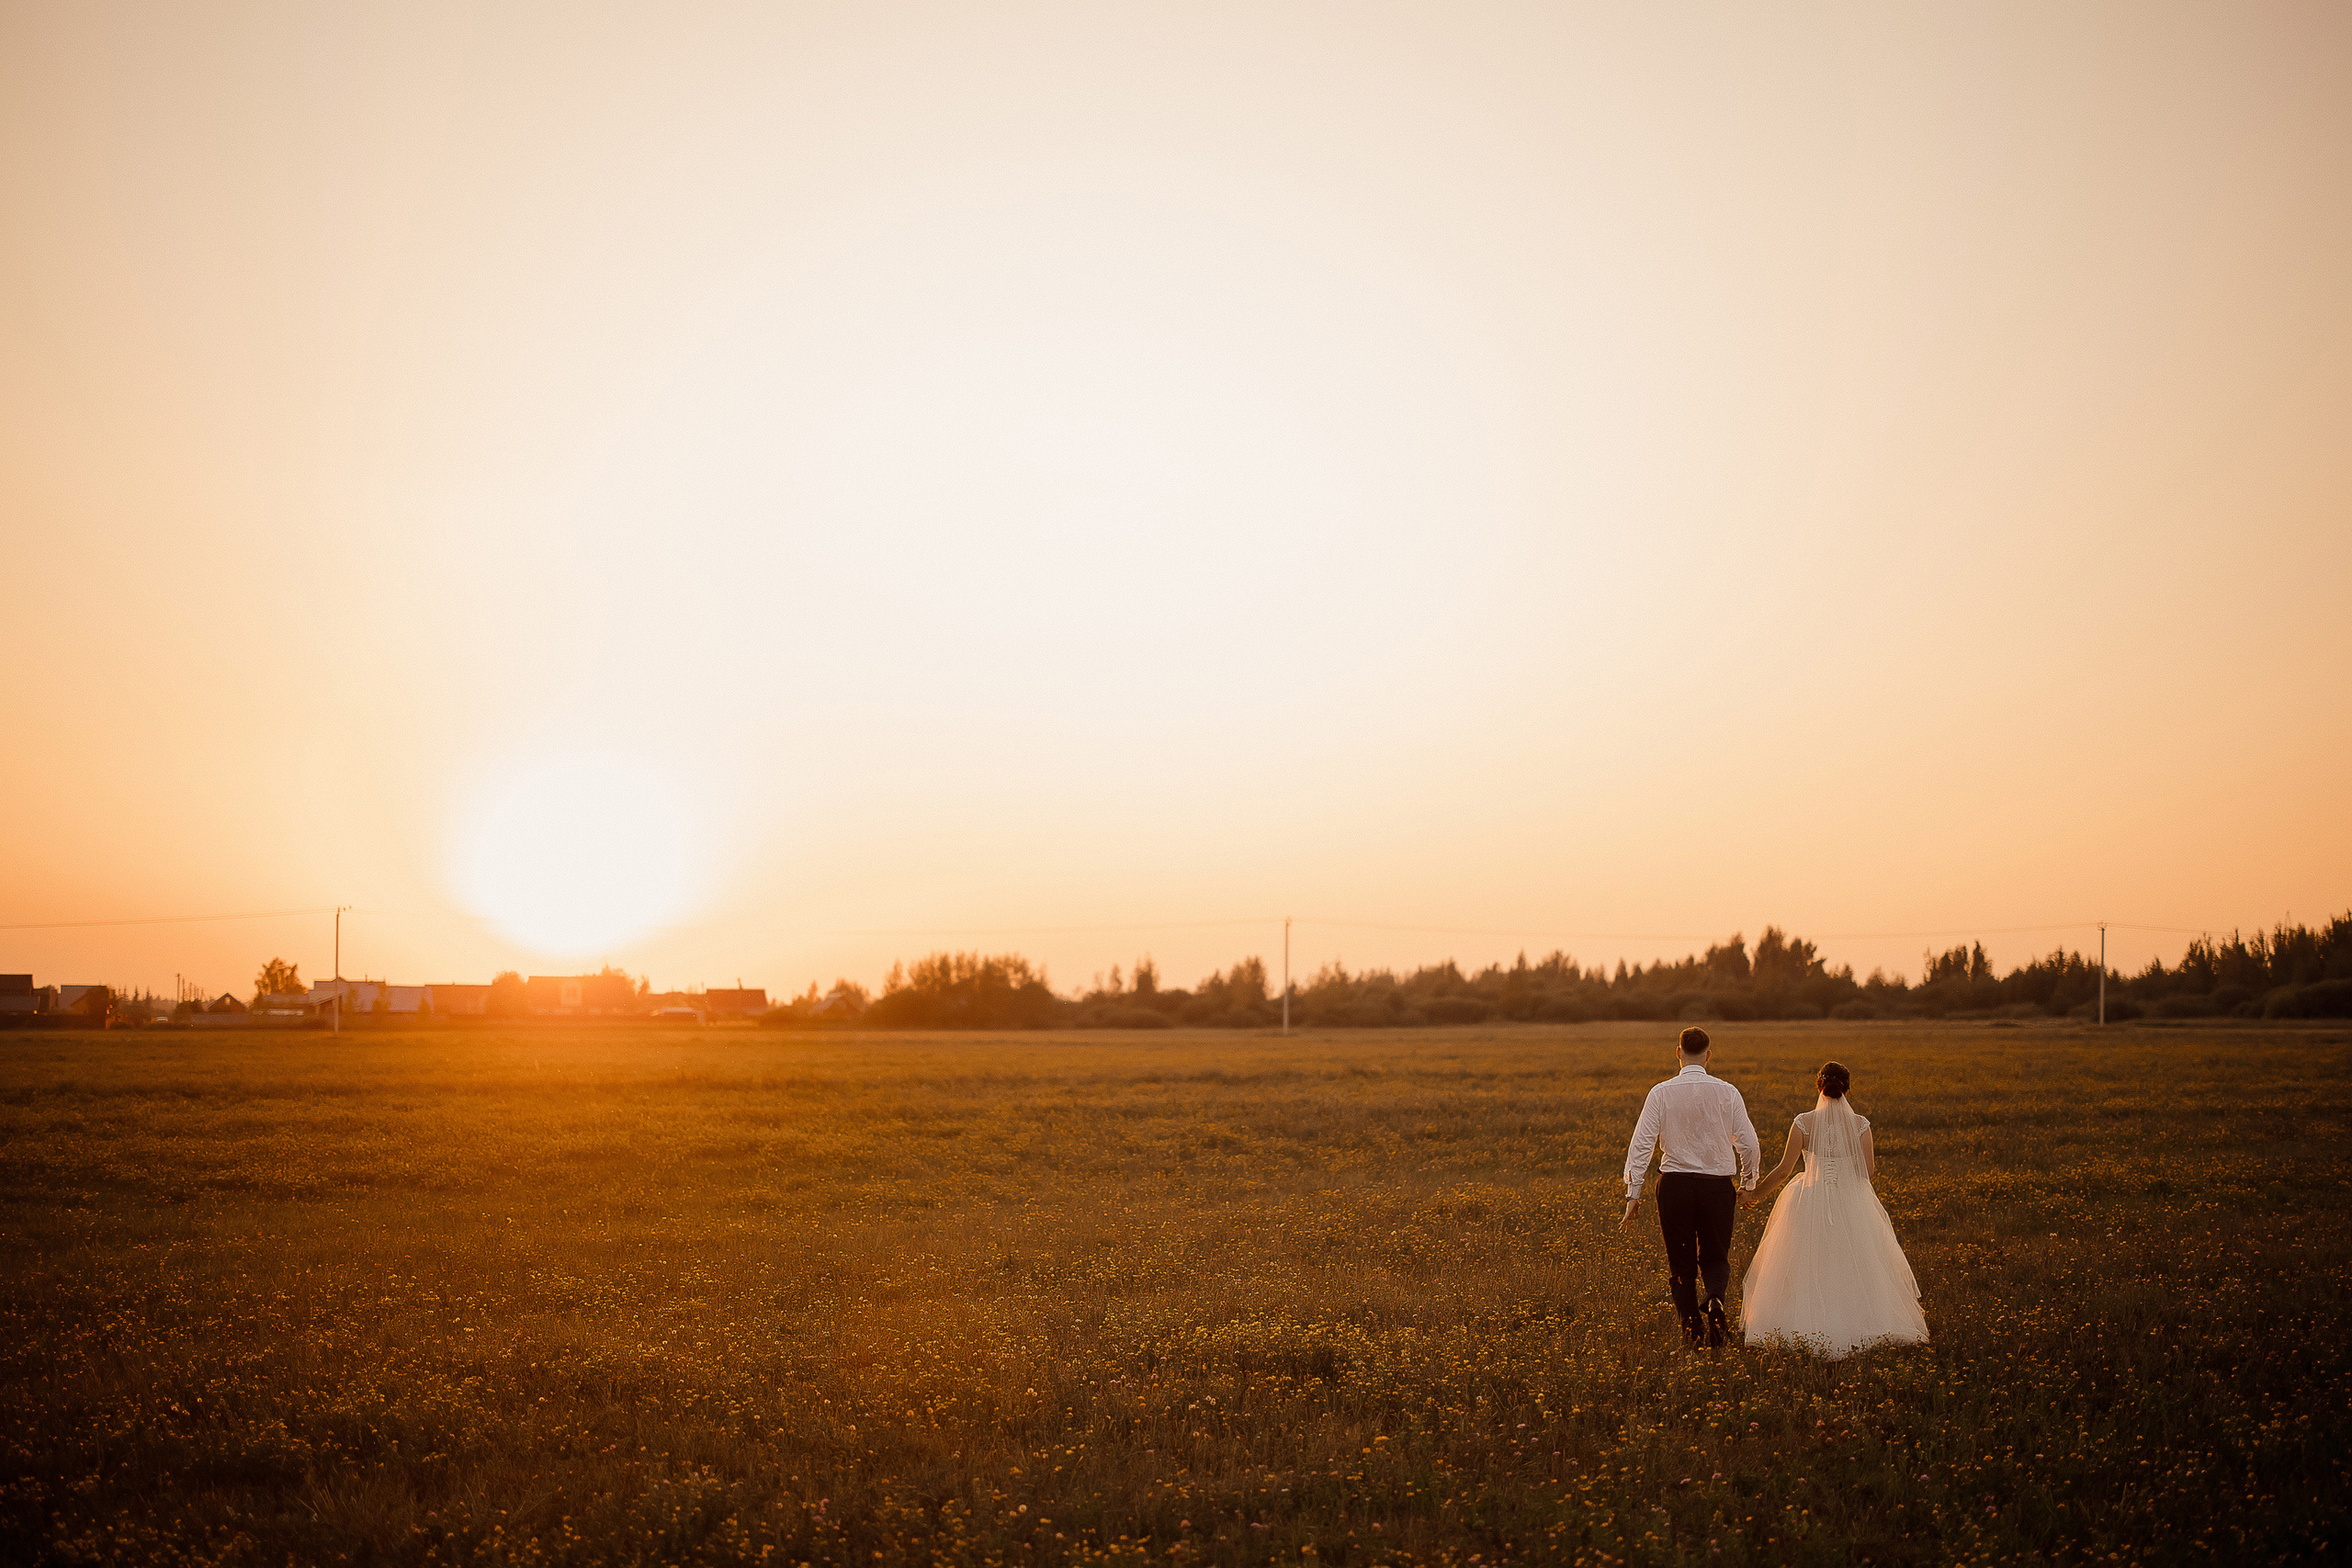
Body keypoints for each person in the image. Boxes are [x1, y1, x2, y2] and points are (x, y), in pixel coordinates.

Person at [1737, 1060, 1928, 1359]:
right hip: (1850, 1200)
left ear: (1819, 1086)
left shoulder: (1803, 1122)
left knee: (1805, 1263)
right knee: (1853, 1261)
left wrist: (1754, 1194)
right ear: (1847, 1088)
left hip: (1810, 1198)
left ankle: (1805, 1323)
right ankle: (1858, 1321)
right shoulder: (1860, 1125)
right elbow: (1868, 1171)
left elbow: (1784, 1170)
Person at [1620, 1026, 1761, 1348]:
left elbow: (1641, 1145)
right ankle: (1715, 1298)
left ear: (1678, 1053)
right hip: (1717, 1187)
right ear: (1708, 1055)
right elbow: (1750, 1144)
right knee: (1716, 1256)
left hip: (1675, 1186)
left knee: (1680, 1263)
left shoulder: (1661, 1092)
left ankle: (1692, 1332)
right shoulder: (1728, 1092)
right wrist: (1748, 1183)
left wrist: (1633, 1193)